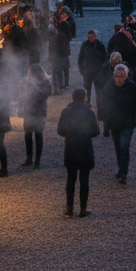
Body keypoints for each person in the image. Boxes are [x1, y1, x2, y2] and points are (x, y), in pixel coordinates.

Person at [98, 63, 136, 184]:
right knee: (118, 148)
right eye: (116, 76)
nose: (119, 79)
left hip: (127, 123)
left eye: (121, 76)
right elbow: (103, 103)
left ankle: (123, 172)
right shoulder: (109, 86)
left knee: (124, 147)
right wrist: (101, 118)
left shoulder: (133, 87)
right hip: (114, 123)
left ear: (126, 76)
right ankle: (121, 169)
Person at [58, 87, 100, 217]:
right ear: (85, 97)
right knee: (84, 179)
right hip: (85, 148)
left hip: (70, 147)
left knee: (71, 178)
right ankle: (83, 209)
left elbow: (60, 130)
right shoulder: (89, 113)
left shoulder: (66, 112)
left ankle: (69, 208)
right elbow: (96, 131)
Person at [21, 63, 51, 168]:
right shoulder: (28, 82)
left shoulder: (45, 83)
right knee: (29, 136)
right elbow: (23, 95)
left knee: (37, 136)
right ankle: (30, 159)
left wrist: (33, 86)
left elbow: (44, 95)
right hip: (30, 112)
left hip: (37, 112)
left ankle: (36, 160)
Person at [76, 29, 108, 103]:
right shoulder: (84, 45)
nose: (91, 38)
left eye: (92, 36)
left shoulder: (100, 45)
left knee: (99, 90)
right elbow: (80, 59)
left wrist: (102, 70)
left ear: (95, 36)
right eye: (90, 37)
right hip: (87, 72)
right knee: (87, 91)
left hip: (98, 72)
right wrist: (81, 70)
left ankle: (99, 104)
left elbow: (105, 58)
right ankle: (87, 104)